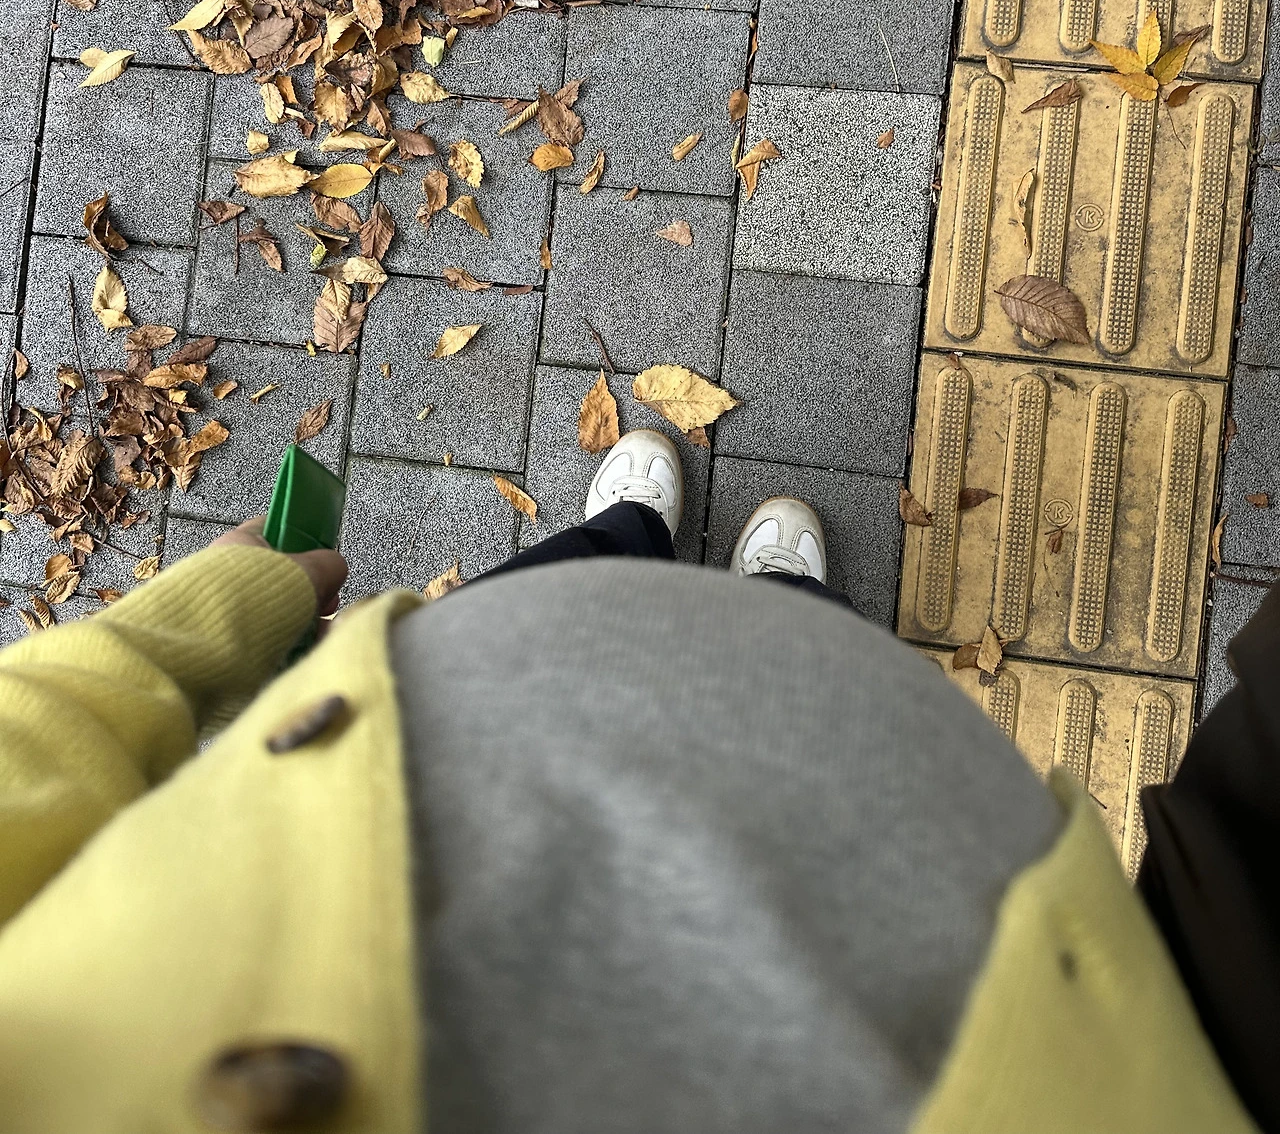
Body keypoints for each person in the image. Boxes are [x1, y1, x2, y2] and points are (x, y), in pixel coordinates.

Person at [0, 429, 1264, 1133]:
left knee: (576, 567)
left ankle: (629, 540)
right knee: (754, 629)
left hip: (455, 700)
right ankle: (776, 607)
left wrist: (176, 633)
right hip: (1026, 976)